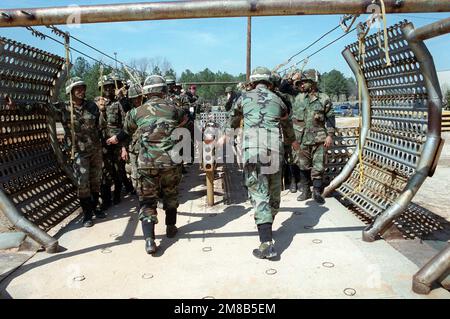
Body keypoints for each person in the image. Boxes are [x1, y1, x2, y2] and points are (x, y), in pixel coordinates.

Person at [106, 75, 188, 254]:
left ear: (146, 93)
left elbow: (125, 132)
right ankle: (171, 228)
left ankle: (150, 241)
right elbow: (185, 119)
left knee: (147, 201)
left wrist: (114, 139)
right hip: (170, 162)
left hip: (146, 163)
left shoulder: (136, 112)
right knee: (170, 195)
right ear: (164, 90)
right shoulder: (174, 109)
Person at [229, 67, 297, 260]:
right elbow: (287, 124)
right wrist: (293, 141)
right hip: (275, 149)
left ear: (252, 82)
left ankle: (266, 243)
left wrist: (227, 134)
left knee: (259, 193)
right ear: (269, 82)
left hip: (254, 150)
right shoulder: (279, 100)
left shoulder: (243, 98)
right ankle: (268, 226)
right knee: (274, 191)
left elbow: (233, 118)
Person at [54, 77, 106, 227]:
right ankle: (87, 214)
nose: (81, 91)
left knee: (95, 181)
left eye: (82, 88)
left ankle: (95, 207)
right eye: (77, 88)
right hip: (78, 152)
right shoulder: (63, 108)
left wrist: (103, 111)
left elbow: (101, 125)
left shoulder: (91, 106)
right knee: (83, 184)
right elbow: (43, 108)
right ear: (70, 91)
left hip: (95, 150)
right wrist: (17, 106)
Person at [291, 69, 336, 204]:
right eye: (301, 82)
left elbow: (330, 117)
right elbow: (283, 88)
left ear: (313, 82)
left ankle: (316, 191)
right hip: (301, 138)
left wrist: (330, 136)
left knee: (318, 166)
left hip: (318, 138)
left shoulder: (324, 98)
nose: (302, 84)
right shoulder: (298, 97)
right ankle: (305, 191)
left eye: (305, 81)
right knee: (303, 165)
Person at [97, 74, 134, 210]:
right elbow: (96, 124)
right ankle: (106, 199)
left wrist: (124, 147)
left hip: (117, 141)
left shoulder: (118, 103)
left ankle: (117, 194)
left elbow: (125, 125)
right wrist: (99, 111)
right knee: (105, 171)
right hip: (103, 142)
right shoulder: (96, 103)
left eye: (110, 87)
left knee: (119, 169)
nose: (108, 90)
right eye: (105, 88)